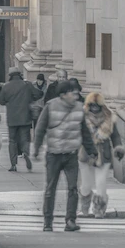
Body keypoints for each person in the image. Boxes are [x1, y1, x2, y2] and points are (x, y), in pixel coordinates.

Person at [33, 78, 95, 231]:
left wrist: (92, 151)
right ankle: (48, 222)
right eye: (72, 93)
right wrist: (36, 148)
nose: (75, 96)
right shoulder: (50, 106)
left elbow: (85, 133)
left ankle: (70, 221)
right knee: (50, 189)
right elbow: (40, 129)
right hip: (53, 154)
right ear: (63, 94)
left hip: (71, 154)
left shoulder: (80, 108)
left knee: (73, 188)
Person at [78, 91, 125, 218]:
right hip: (86, 154)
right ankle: (85, 207)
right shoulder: (82, 116)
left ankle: (99, 209)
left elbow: (115, 136)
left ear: (101, 105)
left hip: (104, 154)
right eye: (92, 105)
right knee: (86, 185)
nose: (94, 108)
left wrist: (118, 148)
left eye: (96, 105)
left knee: (101, 183)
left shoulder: (109, 116)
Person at [0, 67, 41, 171]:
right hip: (25, 117)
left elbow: (1, 101)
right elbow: (38, 94)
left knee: (12, 141)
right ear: (20, 75)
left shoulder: (6, 87)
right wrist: (29, 98)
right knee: (25, 138)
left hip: (12, 118)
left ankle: (13, 164)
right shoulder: (27, 85)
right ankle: (25, 152)